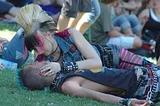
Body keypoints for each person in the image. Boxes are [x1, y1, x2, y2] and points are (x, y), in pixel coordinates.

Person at [15, 4, 155, 75]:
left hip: (113, 57)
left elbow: (96, 62)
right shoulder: (40, 58)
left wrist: (62, 67)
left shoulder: (71, 34)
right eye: (34, 48)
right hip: (107, 76)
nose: (38, 51)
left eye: (38, 44)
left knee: (153, 70)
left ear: (48, 35)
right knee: (143, 78)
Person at [16, 61, 160, 105]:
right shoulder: (67, 85)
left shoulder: (64, 73)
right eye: (38, 63)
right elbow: (99, 97)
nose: (41, 61)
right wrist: (127, 102)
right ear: (43, 72)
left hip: (145, 74)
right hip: (145, 84)